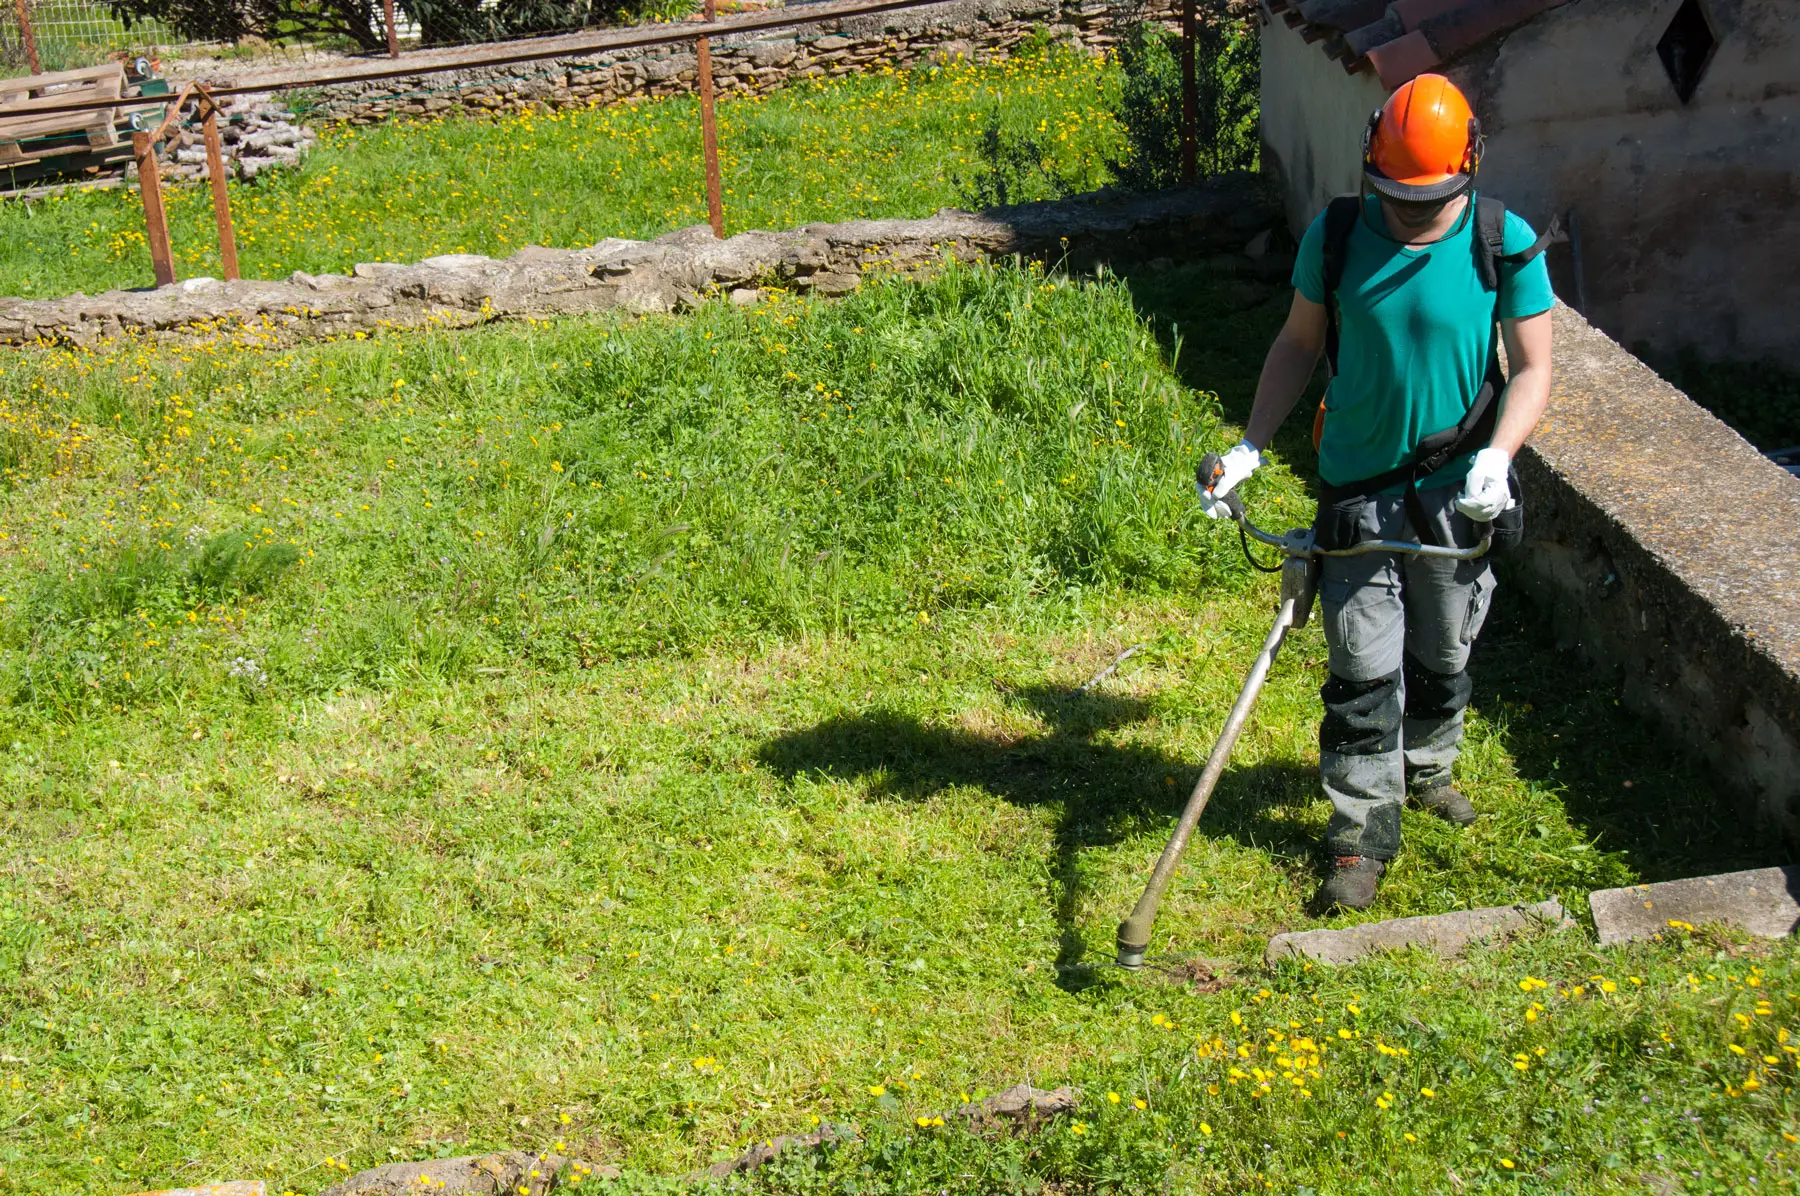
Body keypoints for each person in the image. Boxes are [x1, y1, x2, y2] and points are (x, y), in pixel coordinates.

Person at [1200, 73, 1555, 911]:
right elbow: (1297, 343)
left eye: (1427, 198)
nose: (1409, 212)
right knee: (1362, 666)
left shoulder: (1501, 242)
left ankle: (1427, 770)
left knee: (1444, 646)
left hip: (1458, 487)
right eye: (1393, 195)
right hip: (1356, 486)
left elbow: (1535, 369)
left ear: (1468, 170)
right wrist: (1251, 443)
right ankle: (1359, 837)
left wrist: (1499, 456)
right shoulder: (1336, 236)